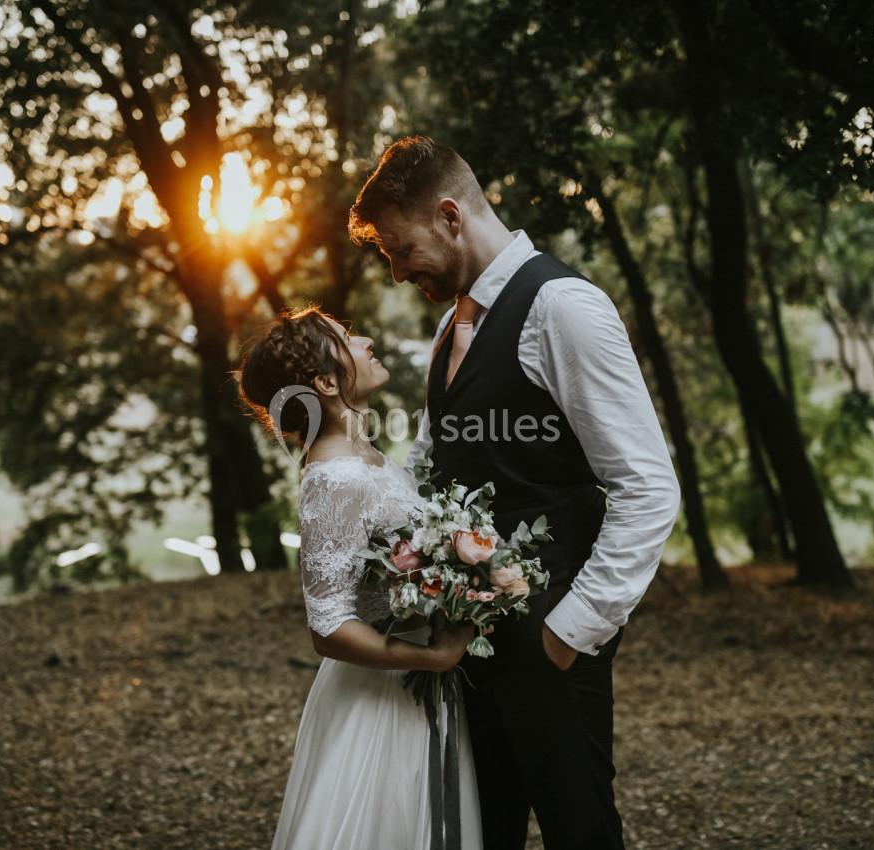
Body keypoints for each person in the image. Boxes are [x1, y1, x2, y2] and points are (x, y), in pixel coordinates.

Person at [347, 135, 681, 850]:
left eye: (401, 249)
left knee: (579, 830)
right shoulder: (453, 325)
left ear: (448, 216)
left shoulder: (564, 307)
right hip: (467, 642)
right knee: (483, 830)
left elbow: (647, 486)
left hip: (553, 636)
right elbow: (431, 467)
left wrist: (569, 632)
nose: (398, 272)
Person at [238, 306, 483, 850]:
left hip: (414, 683)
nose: (366, 339)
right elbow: (328, 626)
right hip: (385, 698)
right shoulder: (335, 478)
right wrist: (434, 657)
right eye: (347, 339)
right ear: (326, 384)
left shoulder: (363, 457)